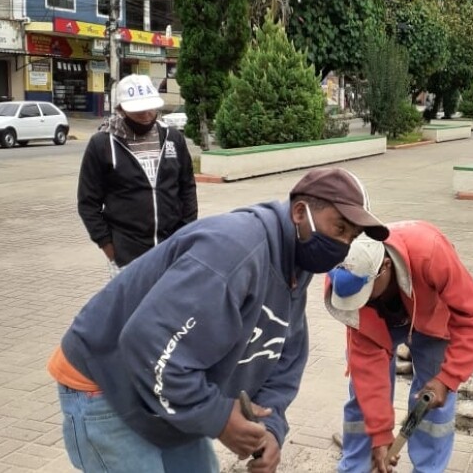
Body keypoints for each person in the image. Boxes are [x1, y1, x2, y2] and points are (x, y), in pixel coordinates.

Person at [47, 167, 389, 473]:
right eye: (339, 227)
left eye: (351, 236)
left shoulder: (295, 264)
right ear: (300, 212)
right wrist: (220, 418)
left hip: (164, 387)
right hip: (106, 383)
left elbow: (284, 357)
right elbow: (148, 344)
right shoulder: (235, 251)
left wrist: (270, 428)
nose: (343, 244)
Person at [324, 220, 473, 473]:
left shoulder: (430, 251)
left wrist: (448, 378)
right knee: (363, 395)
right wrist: (380, 435)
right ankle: (357, 467)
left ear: (385, 267)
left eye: (365, 292)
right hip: (378, 322)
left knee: (433, 401)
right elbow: (368, 371)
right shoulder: (342, 280)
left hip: (431, 317)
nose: (361, 301)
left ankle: (428, 469)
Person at [77, 74, 197, 278]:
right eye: (138, 110)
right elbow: (88, 202)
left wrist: (186, 233)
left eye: (151, 108)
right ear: (121, 109)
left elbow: (187, 188)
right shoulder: (102, 144)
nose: (147, 114)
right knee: (133, 301)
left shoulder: (173, 138)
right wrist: (108, 245)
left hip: (172, 249)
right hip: (126, 256)